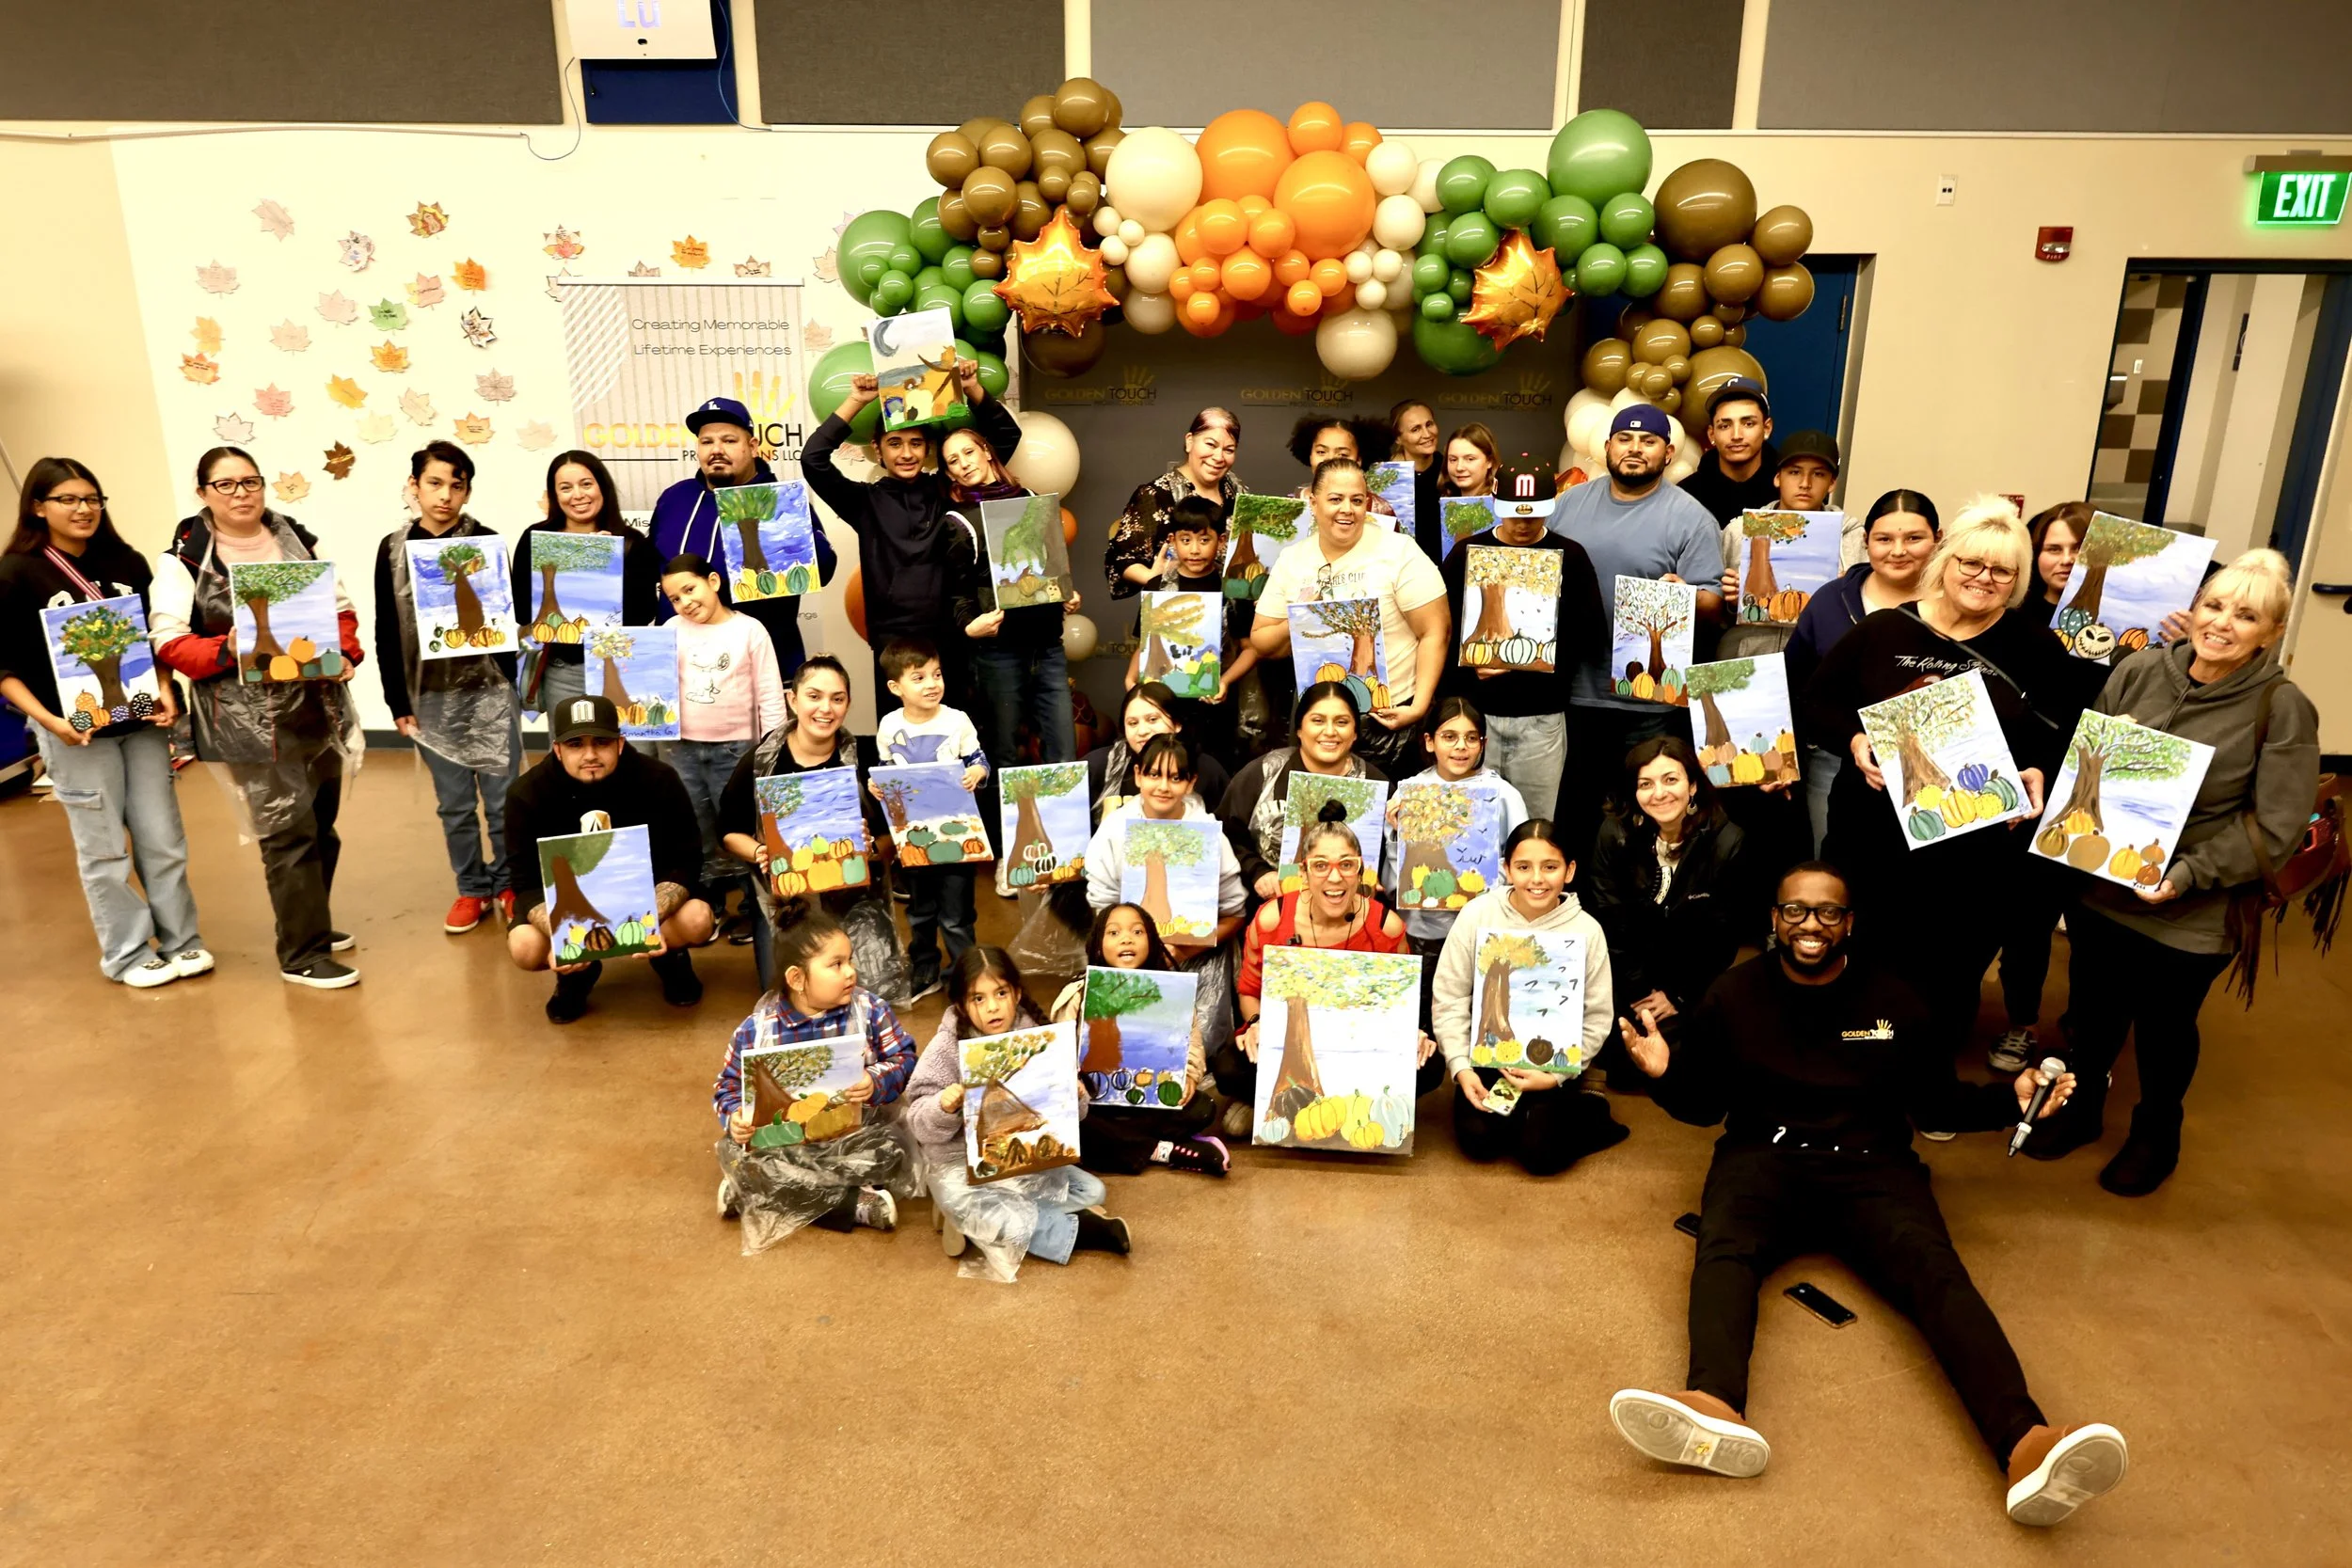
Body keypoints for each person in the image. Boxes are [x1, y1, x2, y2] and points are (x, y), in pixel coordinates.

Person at [1608, 863, 2127, 1530]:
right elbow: (1704, 1105)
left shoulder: (1896, 1000)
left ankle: (2027, 1443)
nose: (1811, 925)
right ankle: (1714, 1403)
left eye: (1828, 912)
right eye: (1796, 910)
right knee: (1722, 1253)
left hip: (1871, 1167)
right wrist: (1664, 1075)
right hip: (1763, 1156)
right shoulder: (1733, 993)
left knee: (1937, 1274)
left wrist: (2013, 1100)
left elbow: (1936, 1103)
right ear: (1774, 919)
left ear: (1849, 922)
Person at [2030, 550, 2321, 1196]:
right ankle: (2081, 1106)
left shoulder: (2282, 706)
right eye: (2215, 606)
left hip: (2193, 901)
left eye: (2246, 616)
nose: (2222, 623)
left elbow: (2276, 826)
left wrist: (2187, 875)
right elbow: (2086, 763)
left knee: (2165, 1025)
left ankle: (2157, 1131)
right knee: (2094, 1009)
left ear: (2272, 632)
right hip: (2103, 883)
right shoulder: (2138, 670)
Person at [1803, 499, 2079, 1048]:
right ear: (1945, 560)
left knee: (1949, 971)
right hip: (1871, 835)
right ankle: (1854, 1060)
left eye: (2002, 571)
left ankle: (1927, 1072)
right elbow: (1817, 703)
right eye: (1971, 563)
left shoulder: (2035, 646)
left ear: (2018, 581)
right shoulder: (1883, 630)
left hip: (1973, 847)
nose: (1983, 578)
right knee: (1863, 954)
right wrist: (1855, 739)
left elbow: (2065, 733)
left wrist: (2038, 771)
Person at [152, 446, 365, 990]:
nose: (240, 493)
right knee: (288, 833)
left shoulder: (297, 540)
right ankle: (302, 954)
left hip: (317, 707)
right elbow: (168, 640)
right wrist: (227, 649)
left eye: (250, 481)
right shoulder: (183, 559)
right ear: (203, 493)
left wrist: (344, 653)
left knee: (321, 825)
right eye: (225, 485)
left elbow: (340, 610)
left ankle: (309, 920)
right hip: (246, 720)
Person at [0, 458, 205, 988]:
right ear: (38, 507)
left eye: (92, 498)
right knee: (104, 849)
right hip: (76, 733)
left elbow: (154, 639)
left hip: (140, 724)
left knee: (163, 839)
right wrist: (50, 722)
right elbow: (4, 670)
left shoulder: (126, 561)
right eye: (67, 499)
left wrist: (164, 689)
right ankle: (127, 954)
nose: (83, 509)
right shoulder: (16, 573)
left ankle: (182, 941)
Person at [1547, 404, 1726, 850]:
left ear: (1668, 453)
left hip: (1649, 704)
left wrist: (1687, 594)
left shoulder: (1691, 517)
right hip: (1574, 693)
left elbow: (1714, 602)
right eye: (1625, 439)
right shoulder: (1568, 504)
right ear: (1607, 447)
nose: (1635, 449)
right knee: (1575, 816)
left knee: (1644, 823)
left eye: (1648, 441)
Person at [902, 945, 1132, 1273]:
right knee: (963, 1200)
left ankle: (987, 1222)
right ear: (961, 1005)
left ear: (1017, 993)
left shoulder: (1035, 1037)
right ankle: (1079, 1232)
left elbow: (1072, 1118)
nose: (992, 1007)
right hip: (962, 1168)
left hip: (1024, 1162)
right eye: (978, 998)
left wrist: (1076, 1095)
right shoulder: (946, 1046)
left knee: (1093, 1190)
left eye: (1001, 993)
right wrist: (943, 1106)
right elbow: (918, 1123)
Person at [373, 441, 521, 935]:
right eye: (434, 483)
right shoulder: (393, 550)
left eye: (456, 486)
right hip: (429, 695)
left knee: (502, 798)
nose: (445, 496)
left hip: (490, 691)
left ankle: (508, 883)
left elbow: (504, 619)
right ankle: (472, 888)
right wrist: (397, 700)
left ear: (467, 492)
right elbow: (386, 627)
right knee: (454, 804)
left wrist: (514, 684)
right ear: (414, 486)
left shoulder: (486, 541)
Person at [806, 361, 1010, 713]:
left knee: (956, 732)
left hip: (950, 637)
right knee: (898, 736)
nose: (906, 454)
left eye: (916, 443)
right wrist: (856, 400)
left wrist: (972, 388)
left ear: (927, 448)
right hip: (892, 645)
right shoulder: (864, 502)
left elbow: (1005, 437)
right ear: (877, 448)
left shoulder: (946, 489)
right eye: (895, 443)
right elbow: (813, 459)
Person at [1223, 801, 1434, 1137]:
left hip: (1357, 1045)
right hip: (1292, 1044)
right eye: (1320, 866)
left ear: (1360, 870)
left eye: (1346, 865)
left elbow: (1399, 1004)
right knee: (1228, 1066)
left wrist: (1411, 1032)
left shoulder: (1385, 926)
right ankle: (1261, 1103)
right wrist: (1257, 1024)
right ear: (1303, 873)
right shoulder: (1272, 918)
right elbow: (1249, 990)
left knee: (1429, 1065)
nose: (1334, 877)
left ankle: (1357, 1109)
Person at [501, 693, 714, 1021]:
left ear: (620, 744)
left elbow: (687, 860)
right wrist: (565, 937)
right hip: (568, 906)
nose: (590, 755)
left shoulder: (659, 779)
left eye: (601, 742)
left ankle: (670, 957)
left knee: (698, 920)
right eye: (575, 745)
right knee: (524, 947)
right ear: (557, 749)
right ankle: (576, 974)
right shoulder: (526, 794)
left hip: (648, 897)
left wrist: (649, 918)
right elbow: (524, 883)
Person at [712, 906, 913, 1243]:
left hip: (855, 1136)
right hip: (787, 1144)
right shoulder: (757, 1030)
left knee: (892, 1149)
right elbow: (727, 1085)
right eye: (836, 964)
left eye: (850, 960)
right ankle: (852, 1204)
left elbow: (905, 1058)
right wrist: (735, 1116)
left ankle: (759, 1190)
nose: (850, 972)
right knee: (740, 1149)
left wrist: (876, 1080)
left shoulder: (870, 1011)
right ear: (796, 979)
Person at [1434, 817, 1623, 1171]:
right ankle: (1521, 1118)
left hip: (1554, 1064)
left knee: (1541, 1156)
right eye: (1523, 867)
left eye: (1550, 867)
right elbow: (1450, 995)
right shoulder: (1478, 915)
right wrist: (1461, 1068)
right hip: (1488, 1059)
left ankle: (1590, 1107)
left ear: (1569, 871)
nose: (1537, 879)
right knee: (1479, 1142)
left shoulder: (1587, 930)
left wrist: (1558, 1076)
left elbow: (1598, 1014)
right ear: (1506, 870)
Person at [1248, 455, 1449, 773]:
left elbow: (1436, 631)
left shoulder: (1399, 551)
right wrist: (1303, 616)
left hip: (1389, 718)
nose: (1347, 509)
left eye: (1357, 500)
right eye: (1335, 499)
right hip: (1318, 723)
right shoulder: (1293, 560)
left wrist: (1419, 706)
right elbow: (1261, 641)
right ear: (1313, 503)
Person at [719, 656, 904, 999]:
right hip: (786, 897)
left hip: (853, 895)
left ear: (848, 703)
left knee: (866, 992)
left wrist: (870, 849)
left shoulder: (865, 758)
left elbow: (893, 835)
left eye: (837, 698)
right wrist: (760, 851)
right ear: (793, 700)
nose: (825, 709)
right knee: (788, 992)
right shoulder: (762, 760)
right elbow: (728, 832)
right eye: (814, 696)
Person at [1438, 463, 1606, 819]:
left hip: (1541, 718)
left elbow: (1593, 638)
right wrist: (1470, 669)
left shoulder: (1572, 557)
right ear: (1495, 502)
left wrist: (1537, 656)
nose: (1523, 524)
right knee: (1470, 821)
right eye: (1514, 513)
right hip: (1474, 717)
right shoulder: (1466, 553)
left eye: (1534, 514)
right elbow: (1440, 633)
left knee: (1534, 822)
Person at [1786, 490, 1940, 851]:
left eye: (1914, 538)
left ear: (1938, 539)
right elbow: (1795, 682)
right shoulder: (1831, 600)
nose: (1898, 551)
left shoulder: (1957, 602)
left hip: (1934, 762)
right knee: (1834, 861)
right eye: (1884, 539)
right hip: (1835, 759)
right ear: (1866, 541)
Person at [1583, 737, 1754, 1045]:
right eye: (1646, 784)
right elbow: (1609, 918)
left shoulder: (1727, 841)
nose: (1659, 793)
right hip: (1625, 972)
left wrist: (1678, 994)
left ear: (1693, 786)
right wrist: (1639, 992)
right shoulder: (1615, 833)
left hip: (1691, 978)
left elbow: (1723, 937)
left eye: (1671, 780)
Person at [649, 397, 834, 677]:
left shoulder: (780, 502)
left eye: (729, 440)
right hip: (681, 669)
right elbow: (650, 568)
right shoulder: (675, 498)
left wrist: (785, 534)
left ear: (753, 446)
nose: (717, 450)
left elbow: (824, 568)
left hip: (761, 669)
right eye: (707, 442)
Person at [659, 552, 787, 945]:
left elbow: (769, 694)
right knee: (694, 828)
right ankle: (709, 903)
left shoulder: (750, 630)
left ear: (713, 582)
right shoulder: (669, 630)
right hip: (681, 749)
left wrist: (773, 749)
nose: (685, 602)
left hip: (737, 751)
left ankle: (753, 909)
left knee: (742, 829)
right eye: (675, 598)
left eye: (690, 589)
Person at [1050, 902, 1231, 1177]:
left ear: (1152, 942)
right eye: (1114, 933)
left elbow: (1192, 1043)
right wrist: (1073, 1081)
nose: (1127, 939)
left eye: (1137, 932)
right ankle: (1163, 1150)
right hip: (1096, 1104)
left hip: (1149, 1099)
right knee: (1071, 1122)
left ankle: (1122, 1145)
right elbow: (1058, 1051)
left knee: (1202, 1110)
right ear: (1097, 945)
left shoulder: (1171, 992)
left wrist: (1190, 1077)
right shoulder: (1079, 992)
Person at [941, 423, 1080, 765]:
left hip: (1047, 647)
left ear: (987, 452)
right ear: (949, 474)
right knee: (1003, 752)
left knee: (1063, 750)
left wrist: (1065, 594)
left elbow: (1049, 565)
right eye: (953, 461)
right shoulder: (959, 520)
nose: (964, 463)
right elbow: (957, 593)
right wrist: (968, 626)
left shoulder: (1031, 498)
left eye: (969, 452)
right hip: (998, 653)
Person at [1385, 697, 1528, 1027]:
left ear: (1483, 744)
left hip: (1484, 933)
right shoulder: (1409, 793)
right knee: (1424, 1023)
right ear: (1429, 741)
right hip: (1424, 936)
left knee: (1480, 1021)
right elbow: (1394, 883)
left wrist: (1490, 879)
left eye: (1471, 737)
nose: (1461, 746)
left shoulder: (1503, 795)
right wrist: (1396, 834)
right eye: (1449, 737)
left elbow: (1522, 864)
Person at [874, 637, 989, 1002]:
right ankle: (925, 967)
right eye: (919, 677)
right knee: (921, 910)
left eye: (936, 674)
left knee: (957, 913)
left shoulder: (957, 720)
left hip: (957, 832)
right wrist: (878, 786)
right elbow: (887, 772)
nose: (931, 684)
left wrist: (978, 774)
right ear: (896, 687)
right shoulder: (889, 725)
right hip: (913, 836)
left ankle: (965, 972)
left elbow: (979, 760)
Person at [512, 450, 664, 718]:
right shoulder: (536, 539)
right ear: (555, 495)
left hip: (621, 667)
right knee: (569, 743)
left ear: (602, 487)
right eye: (565, 488)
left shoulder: (632, 543)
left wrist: (606, 567)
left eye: (586, 484)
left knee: (627, 742)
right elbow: (523, 612)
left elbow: (644, 614)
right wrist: (574, 574)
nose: (578, 495)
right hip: (563, 671)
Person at [1219, 680, 1390, 902]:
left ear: (1355, 732)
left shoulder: (1376, 785)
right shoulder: (1264, 772)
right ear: (1299, 728)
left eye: (1342, 722)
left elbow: (1391, 859)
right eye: (1318, 721)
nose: (1330, 731)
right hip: (1271, 906)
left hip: (1352, 911)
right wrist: (1258, 871)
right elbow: (1224, 834)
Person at [1714, 429, 1854, 664]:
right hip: (1745, 659)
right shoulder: (1739, 531)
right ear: (1777, 478)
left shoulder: (1852, 537)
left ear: (1832, 483)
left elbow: (1866, 615)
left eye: (1818, 474)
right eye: (1794, 472)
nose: (1805, 484)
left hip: (1817, 663)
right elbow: (1713, 614)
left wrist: (1849, 595)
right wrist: (1728, 601)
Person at [1105, 406, 1241, 600]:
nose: (1219, 457)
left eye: (1229, 450)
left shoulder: (1235, 491)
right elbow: (1121, 557)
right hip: (1174, 607)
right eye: (1211, 444)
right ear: (1189, 442)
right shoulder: (1155, 495)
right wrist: (1152, 578)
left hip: (1229, 608)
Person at [1086, 680, 1231, 827]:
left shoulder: (1207, 769)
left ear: (1177, 724)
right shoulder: (1097, 766)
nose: (1142, 731)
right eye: (1133, 723)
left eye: (1152, 720)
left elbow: (1226, 828)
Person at [1677, 379, 1780, 526]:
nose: (1736, 435)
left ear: (1767, 428)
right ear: (1712, 434)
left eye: (1748, 424)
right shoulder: (1687, 496)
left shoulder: (1788, 490)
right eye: (1725, 426)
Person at [1284, 416, 1398, 520]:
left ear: (1358, 460)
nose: (1330, 459)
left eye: (1343, 454)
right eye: (1321, 452)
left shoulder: (1379, 509)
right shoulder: (1292, 504)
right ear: (1310, 456)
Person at [1390, 398, 1444, 561]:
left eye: (1429, 424)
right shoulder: (1386, 477)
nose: (1427, 434)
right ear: (1398, 438)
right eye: (1415, 429)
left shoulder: (1450, 469)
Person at [1439, 423, 1501, 498]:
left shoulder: (1499, 502)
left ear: (1489, 461)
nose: (1459, 468)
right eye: (1453, 460)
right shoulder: (1445, 499)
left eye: (1470, 459)